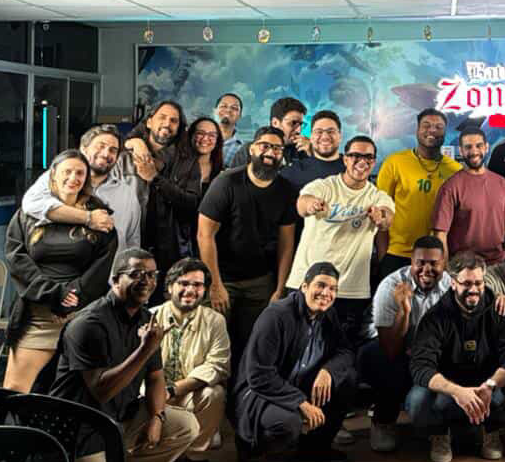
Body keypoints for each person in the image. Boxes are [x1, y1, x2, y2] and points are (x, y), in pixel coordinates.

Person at [51, 248, 198, 462]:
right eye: (136, 274)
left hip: (119, 418)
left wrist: (157, 417)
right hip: (81, 430)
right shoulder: (89, 324)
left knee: (185, 425)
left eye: (151, 275)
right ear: (115, 279)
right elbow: (102, 391)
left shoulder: (145, 318)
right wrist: (145, 349)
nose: (146, 281)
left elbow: (155, 377)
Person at [4, 149, 117, 393]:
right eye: (67, 171)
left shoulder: (99, 216)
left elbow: (102, 264)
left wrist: (73, 297)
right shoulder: (28, 213)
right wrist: (54, 294)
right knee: (14, 389)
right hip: (38, 313)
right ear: (53, 175)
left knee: (81, 391)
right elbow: (16, 257)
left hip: (82, 312)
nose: (73, 178)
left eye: (80, 173)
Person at [232, 262, 356, 462]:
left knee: (347, 378)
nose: (326, 293)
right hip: (261, 392)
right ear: (304, 287)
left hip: (298, 382)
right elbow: (259, 375)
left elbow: (345, 350)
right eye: (320, 285)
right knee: (287, 424)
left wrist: (328, 371)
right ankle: (250, 449)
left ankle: (315, 448)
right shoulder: (276, 315)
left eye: (332, 289)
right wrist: (300, 402)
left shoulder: (328, 314)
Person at [197, 126, 299, 382]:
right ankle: (212, 399)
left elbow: (287, 244)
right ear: (252, 149)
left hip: (260, 282)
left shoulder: (286, 190)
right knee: (213, 346)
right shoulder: (226, 182)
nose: (270, 152)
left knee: (253, 347)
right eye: (265, 145)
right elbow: (204, 235)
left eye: (277, 148)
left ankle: (244, 398)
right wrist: (215, 285)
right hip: (223, 278)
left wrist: (279, 289)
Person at [407, 252, 505, 462]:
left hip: (489, 385)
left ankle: (492, 430)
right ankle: (440, 433)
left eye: (478, 283)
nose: (473, 289)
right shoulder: (435, 317)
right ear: (453, 283)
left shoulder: (500, 309)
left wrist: (490, 385)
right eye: (466, 283)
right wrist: (457, 391)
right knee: (417, 401)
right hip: (449, 388)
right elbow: (420, 366)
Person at [286, 135, 394, 346]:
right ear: (345, 159)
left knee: (341, 350)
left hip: (350, 290)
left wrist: (380, 217)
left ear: (374, 162)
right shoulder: (324, 186)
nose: (362, 162)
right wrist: (311, 205)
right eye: (355, 156)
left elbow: (387, 217)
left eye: (368, 157)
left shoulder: (377, 196)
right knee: (296, 345)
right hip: (307, 284)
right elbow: (302, 204)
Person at [360, 236, 452, 452]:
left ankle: (441, 425)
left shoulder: (450, 286)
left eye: (433, 263)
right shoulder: (390, 286)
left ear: (443, 263)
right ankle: (383, 420)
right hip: (395, 348)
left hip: (428, 351)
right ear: (411, 262)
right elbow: (390, 347)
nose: (426, 269)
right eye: (420, 263)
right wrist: (404, 311)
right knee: (378, 356)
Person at [151, 258, 230, 462]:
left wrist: (173, 389)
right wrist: (157, 392)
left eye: (197, 285)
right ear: (169, 287)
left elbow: (217, 365)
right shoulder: (150, 316)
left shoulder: (215, 321)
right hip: (151, 394)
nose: (190, 290)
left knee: (213, 393)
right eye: (184, 283)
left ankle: (196, 456)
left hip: (188, 394)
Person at [21, 124, 139, 254]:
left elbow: (132, 240)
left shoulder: (127, 193)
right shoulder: (57, 179)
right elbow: (31, 204)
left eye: (113, 150)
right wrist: (88, 218)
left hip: (113, 266)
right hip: (63, 263)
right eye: (100, 146)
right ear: (83, 149)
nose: (106, 154)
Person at [122, 100, 201, 293]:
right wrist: (135, 142)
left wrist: (155, 179)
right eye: (162, 117)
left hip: (168, 247)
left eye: (174, 120)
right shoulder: (125, 153)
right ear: (149, 122)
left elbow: (191, 204)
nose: (167, 124)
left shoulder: (188, 160)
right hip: (128, 241)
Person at [375, 108, 463, 282]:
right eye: (426, 125)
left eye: (438, 127)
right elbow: (381, 214)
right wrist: (383, 257)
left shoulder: (455, 170)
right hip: (398, 254)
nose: (432, 130)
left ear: (445, 132)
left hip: (436, 257)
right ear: (417, 130)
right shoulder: (394, 163)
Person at [432, 129, 505, 262]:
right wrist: (445, 269)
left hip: (498, 264)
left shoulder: (502, 184)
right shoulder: (450, 187)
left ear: (486, 147)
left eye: (479, 146)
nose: (474, 151)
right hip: (463, 266)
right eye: (468, 147)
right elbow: (440, 234)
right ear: (461, 151)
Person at [228, 96, 311, 168]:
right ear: (275, 123)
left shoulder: (303, 151)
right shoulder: (248, 151)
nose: (299, 130)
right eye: (293, 123)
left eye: (301, 124)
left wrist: (313, 154)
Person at [281, 110, 345, 189]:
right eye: (319, 132)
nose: (325, 137)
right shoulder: (291, 172)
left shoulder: (354, 168)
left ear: (340, 136)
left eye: (331, 131)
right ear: (311, 136)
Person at [186, 116, 225, 207]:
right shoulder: (176, 165)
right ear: (191, 136)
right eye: (200, 133)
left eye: (212, 135)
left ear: (217, 141)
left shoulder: (222, 172)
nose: (205, 138)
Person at [215, 93, 247, 166]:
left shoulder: (243, 150)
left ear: (240, 115)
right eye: (223, 106)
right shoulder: (199, 138)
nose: (228, 110)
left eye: (234, 108)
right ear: (215, 110)